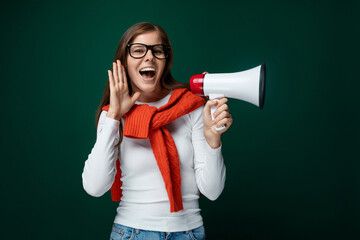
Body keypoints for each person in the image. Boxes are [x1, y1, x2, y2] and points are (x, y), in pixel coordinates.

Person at [82, 22, 233, 240]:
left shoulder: (191, 107)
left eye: (157, 51)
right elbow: (94, 187)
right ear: (123, 60)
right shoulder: (113, 115)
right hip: (131, 233)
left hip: (189, 233)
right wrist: (114, 116)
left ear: (166, 60)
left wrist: (213, 141)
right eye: (138, 50)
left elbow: (212, 191)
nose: (149, 57)